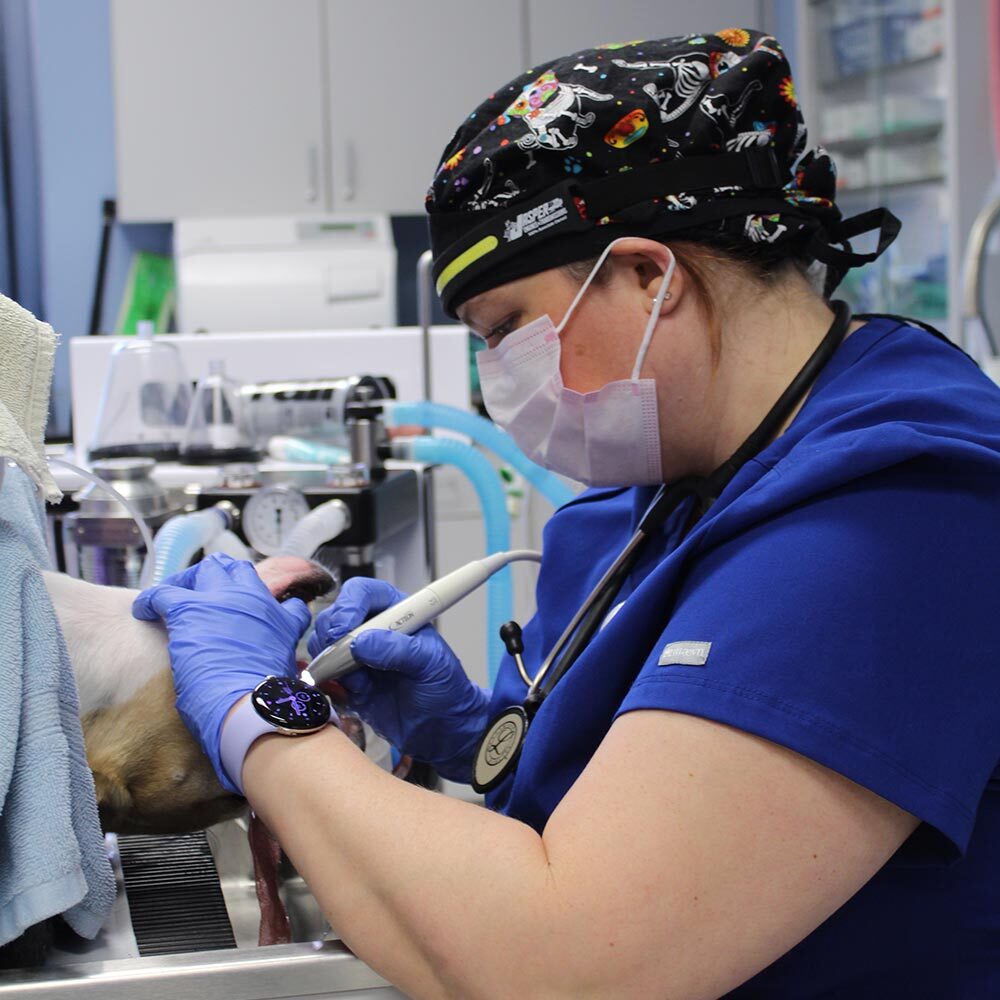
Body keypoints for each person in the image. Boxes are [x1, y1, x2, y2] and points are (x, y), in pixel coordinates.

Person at [133, 29, 1000, 998]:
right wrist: (484, 735)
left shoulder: (898, 513)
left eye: (505, 330)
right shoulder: (670, 478)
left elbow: (566, 965)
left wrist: (262, 713)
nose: (497, 376)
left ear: (646, 274)